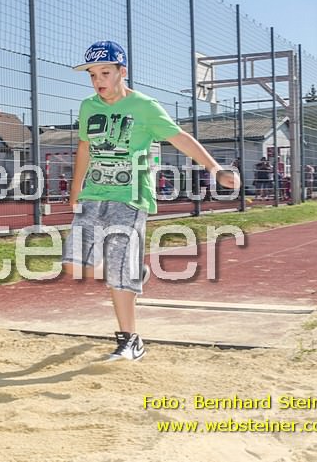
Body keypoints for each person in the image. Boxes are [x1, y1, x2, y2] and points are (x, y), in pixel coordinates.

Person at [62, 40, 239, 361]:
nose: (98, 80)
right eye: (92, 74)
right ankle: (130, 273)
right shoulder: (88, 107)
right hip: (92, 195)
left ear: (122, 72)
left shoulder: (144, 107)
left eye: (105, 72)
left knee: (119, 271)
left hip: (129, 198)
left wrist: (215, 169)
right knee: (74, 266)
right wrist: (76, 190)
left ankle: (130, 340)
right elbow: (85, 148)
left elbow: (181, 138)